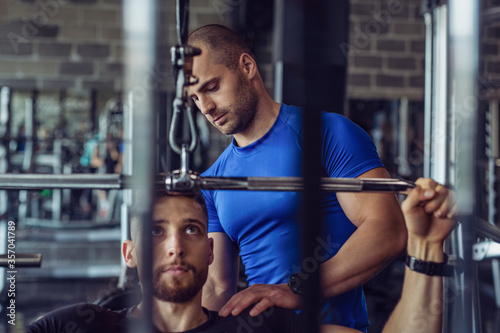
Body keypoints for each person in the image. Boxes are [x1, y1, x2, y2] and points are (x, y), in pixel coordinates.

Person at [186, 24, 406, 331]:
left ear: (247, 66)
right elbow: (218, 288)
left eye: (212, 87)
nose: (206, 108)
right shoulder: (214, 181)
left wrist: (297, 289)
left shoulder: (328, 133)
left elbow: (388, 229)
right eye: (195, 99)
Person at [26, 179, 456, 333]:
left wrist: (427, 247)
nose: (175, 245)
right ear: (131, 252)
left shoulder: (258, 326)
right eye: (156, 232)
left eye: (191, 229)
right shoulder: (75, 325)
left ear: (211, 250)